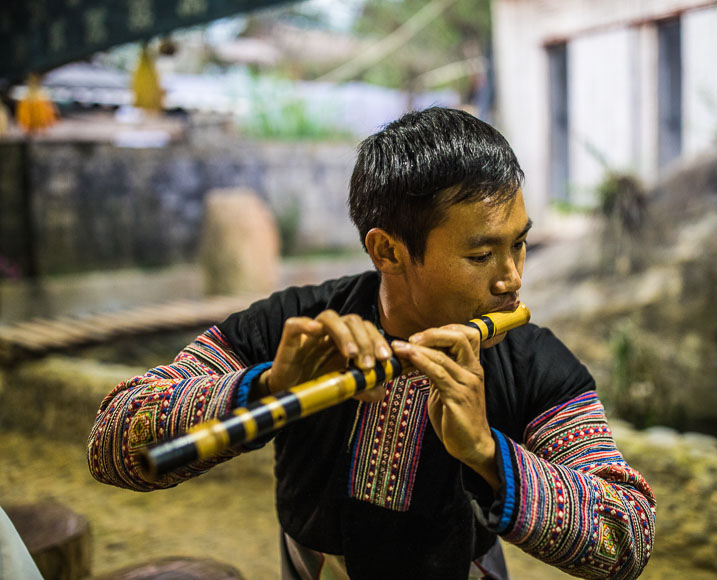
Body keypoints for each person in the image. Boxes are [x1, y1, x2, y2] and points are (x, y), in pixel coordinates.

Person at [88, 107, 655, 579]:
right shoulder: (293, 326)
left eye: (520, 245)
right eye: (481, 256)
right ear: (387, 251)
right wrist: (265, 388)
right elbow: (113, 446)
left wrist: (487, 452)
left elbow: (627, 537)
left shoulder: (536, 364)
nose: (511, 279)